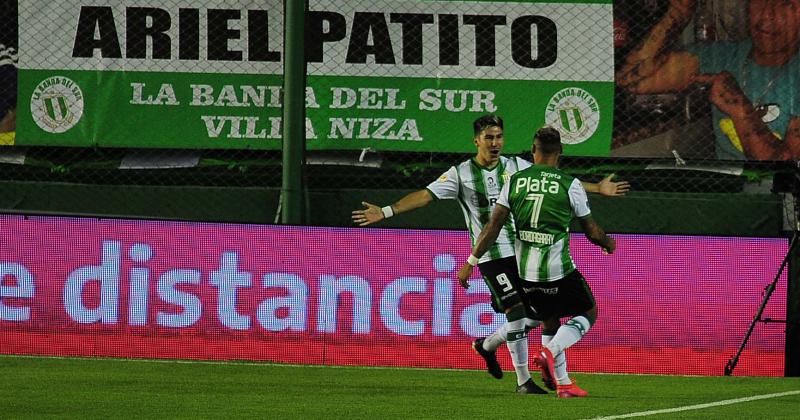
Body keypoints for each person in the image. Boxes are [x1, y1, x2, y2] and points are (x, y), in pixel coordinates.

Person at [352, 115, 629, 394]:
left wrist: (598, 188)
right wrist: (386, 211)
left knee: (545, 316)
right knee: (519, 315)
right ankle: (524, 381)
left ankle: (491, 346)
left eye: (499, 137)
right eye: (489, 138)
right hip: (491, 255)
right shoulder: (460, 174)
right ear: (477, 141)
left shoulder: (515, 167)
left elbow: (553, 180)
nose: (495, 143)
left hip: (522, 255)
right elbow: (425, 196)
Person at [457, 126, 616, 398]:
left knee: (549, 320)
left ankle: (563, 383)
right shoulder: (570, 184)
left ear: (533, 151)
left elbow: (493, 227)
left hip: (525, 273)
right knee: (588, 312)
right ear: (561, 152)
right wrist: (607, 243)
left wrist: (471, 261)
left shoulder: (515, 181)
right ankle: (549, 352)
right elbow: (592, 232)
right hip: (558, 270)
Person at [617, 0, 800, 160]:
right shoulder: (721, 56)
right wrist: (678, 13)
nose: (767, 14)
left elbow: (788, 169)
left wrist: (739, 108)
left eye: (786, 3)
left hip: (780, 197)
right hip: (730, 191)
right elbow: (628, 79)